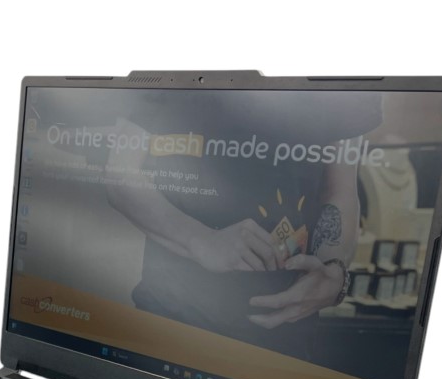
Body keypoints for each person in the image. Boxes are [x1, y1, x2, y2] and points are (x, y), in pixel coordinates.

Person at [104, 90, 382, 358]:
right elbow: (121, 173)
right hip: (172, 321)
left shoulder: (347, 72)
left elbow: (340, 191)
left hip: (283, 336)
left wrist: (333, 270)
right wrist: (200, 239)